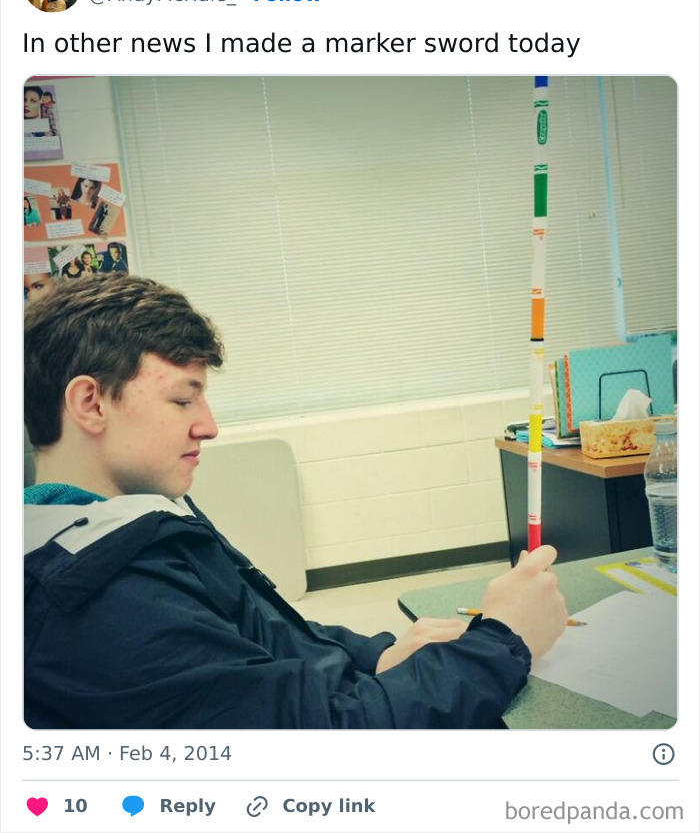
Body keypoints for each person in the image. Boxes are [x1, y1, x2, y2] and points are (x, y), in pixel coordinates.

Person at [24, 276, 568, 729]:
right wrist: (504, 642)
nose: (209, 426)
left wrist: (375, 656)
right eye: (183, 399)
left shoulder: (127, 519)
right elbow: (325, 742)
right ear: (91, 403)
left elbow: (263, 633)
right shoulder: (97, 602)